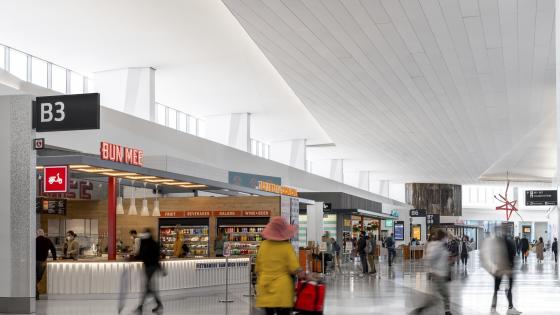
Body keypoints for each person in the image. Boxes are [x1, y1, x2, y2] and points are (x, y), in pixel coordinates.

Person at [256, 217, 302, 315]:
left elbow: (258, 269)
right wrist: (306, 274)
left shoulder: (263, 246)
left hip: (265, 288)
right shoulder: (286, 247)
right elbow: (294, 268)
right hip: (282, 291)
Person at [411, 229, 451, 315]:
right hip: (439, 274)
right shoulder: (438, 246)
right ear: (443, 237)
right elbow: (431, 258)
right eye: (445, 237)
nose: (446, 238)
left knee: (438, 296)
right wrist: (431, 269)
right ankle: (446, 312)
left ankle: (421, 309)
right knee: (443, 295)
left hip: (440, 273)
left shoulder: (438, 245)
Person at [480, 231, 521, 315]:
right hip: (503, 268)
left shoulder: (501, 243)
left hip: (503, 268)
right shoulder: (505, 243)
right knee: (502, 289)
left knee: (500, 289)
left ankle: (502, 308)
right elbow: (512, 254)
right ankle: (502, 308)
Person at [135, 228, 163, 314]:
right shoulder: (153, 243)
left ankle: (140, 307)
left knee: (147, 287)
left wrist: (132, 258)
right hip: (152, 266)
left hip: (150, 267)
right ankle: (158, 304)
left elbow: (141, 255)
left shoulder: (146, 243)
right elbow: (157, 256)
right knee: (149, 288)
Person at [36, 229, 57, 299]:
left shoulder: (34, 240)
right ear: (43, 234)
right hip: (43, 262)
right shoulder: (47, 240)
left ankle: (36, 292)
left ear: (37, 234)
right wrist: (54, 259)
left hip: (35, 261)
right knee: (39, 277)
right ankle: (36, 292)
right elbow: (53, 249)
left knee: (34, 277)